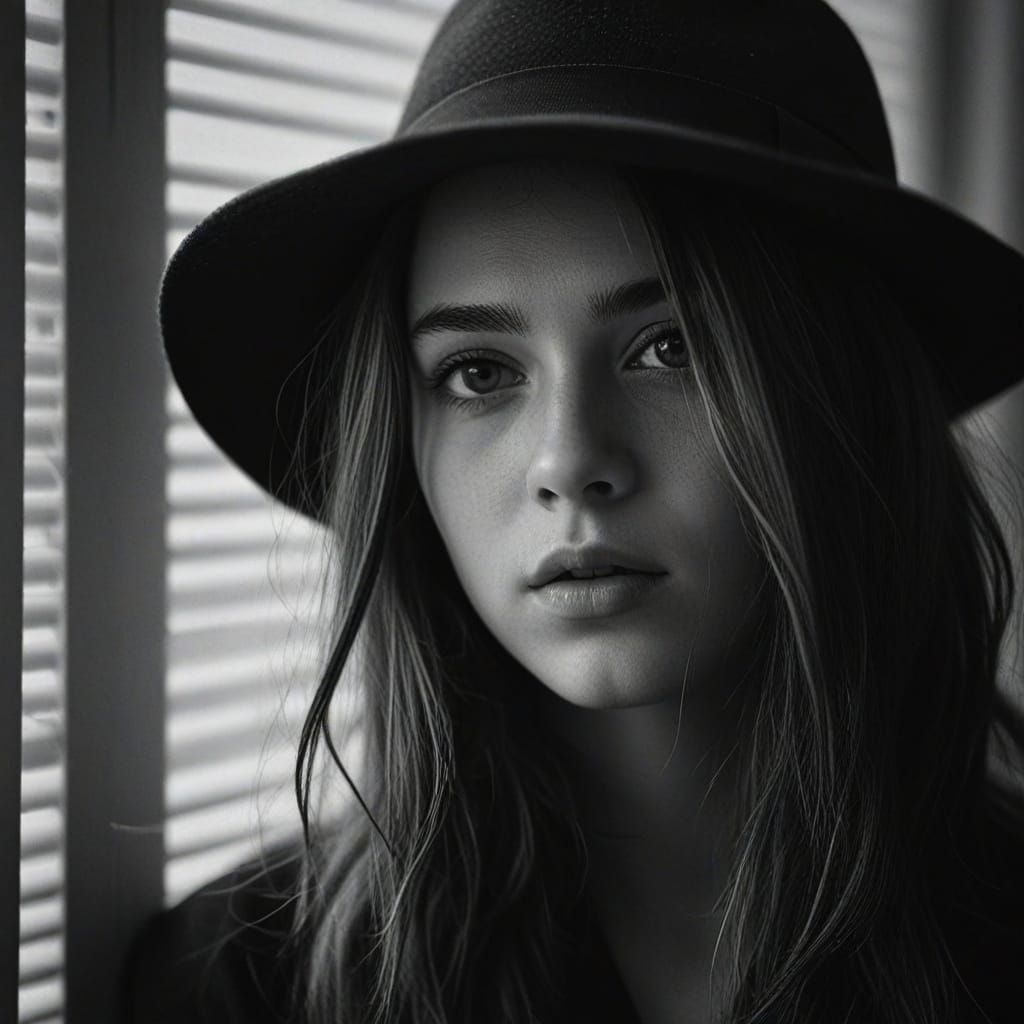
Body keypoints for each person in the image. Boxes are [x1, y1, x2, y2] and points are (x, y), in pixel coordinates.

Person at [125, 1, 1024, 1022]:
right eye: (476, 370)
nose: (567, 461)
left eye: (669, 347)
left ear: (844, 397)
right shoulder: (245, 986)